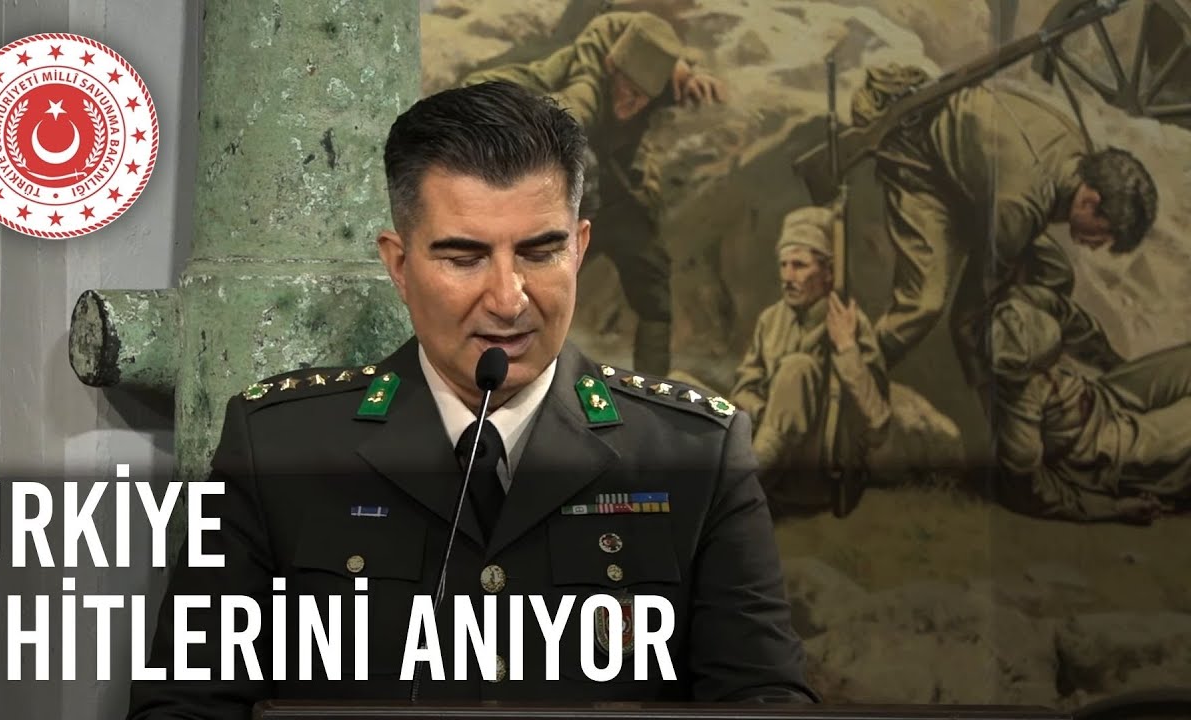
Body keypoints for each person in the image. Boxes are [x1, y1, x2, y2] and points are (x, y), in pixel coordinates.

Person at [127, 81, 815, 718]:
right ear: (400, 264)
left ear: (579, 249)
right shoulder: (278, 446)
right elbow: (187, 705)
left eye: (540, 253)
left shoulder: (696, 452)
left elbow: (764, 699)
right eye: (464, 257)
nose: (509, 299)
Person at [849, 68, 1158, 385]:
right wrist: (981, 380)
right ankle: (853, 369)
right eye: (1103, 234)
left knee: (1056, 272)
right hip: (923, 168)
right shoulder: (1022, 203)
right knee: (923, 304)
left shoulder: (1073, 156)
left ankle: (1050, 346)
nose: (1096, 245)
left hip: (976, 178)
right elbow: (968, 311)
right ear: (1090, 201)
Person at [460, 11, 726, 376]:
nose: (630, 102)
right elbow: (569, 117)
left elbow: (661, 57)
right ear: (611, 69)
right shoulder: (589, 82)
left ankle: (654, 392)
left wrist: (686, 73)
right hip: (555, 189)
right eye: (626, 89)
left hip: (607, 192)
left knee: (652, 281)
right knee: (530, 286)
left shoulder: (656, 74)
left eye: (641, 97)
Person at [729, 206, 890, 510]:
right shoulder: (770, 321)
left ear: (828, 273)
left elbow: (878, 424)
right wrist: (766, 411)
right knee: (681, 390)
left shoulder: (851, 324)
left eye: (799, 265)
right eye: (783, 265)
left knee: (796, 369)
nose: (788, 277)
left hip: (819, 474)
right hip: (769, 455)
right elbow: (743, 389)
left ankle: (734, 495)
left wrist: (847, 349)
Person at [988, 292, 1191, 523]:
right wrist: (1115, 508)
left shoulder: (1018, 313)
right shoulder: (1018, 402)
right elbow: (1027, 489)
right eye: (1043, 371)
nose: (1053, 375)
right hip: (1104, 450)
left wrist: (1111, 363)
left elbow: (1063, 313)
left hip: (1104, 397)